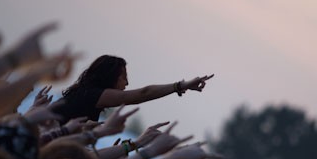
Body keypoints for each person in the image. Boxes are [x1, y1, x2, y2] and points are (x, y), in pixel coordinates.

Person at [53, 54, 214, 122]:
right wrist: (179, 86)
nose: (127, 83)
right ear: (109, 77)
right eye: (123, 77)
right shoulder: (91, 95)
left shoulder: (84, 94)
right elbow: (142, 94)